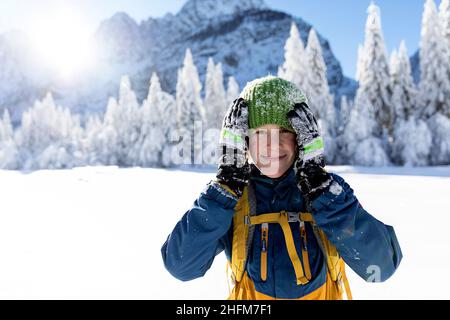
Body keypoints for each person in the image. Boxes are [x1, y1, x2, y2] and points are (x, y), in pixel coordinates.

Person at [161, 76, 402, 300]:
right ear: (244, 141)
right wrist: (226, 187)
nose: (272, 144)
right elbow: (181, 265)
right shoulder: (231, 199)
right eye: (260, 132)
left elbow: (380, 268)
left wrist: (320, 189)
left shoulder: (330, 193)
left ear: (302, 138)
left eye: (284, 131)